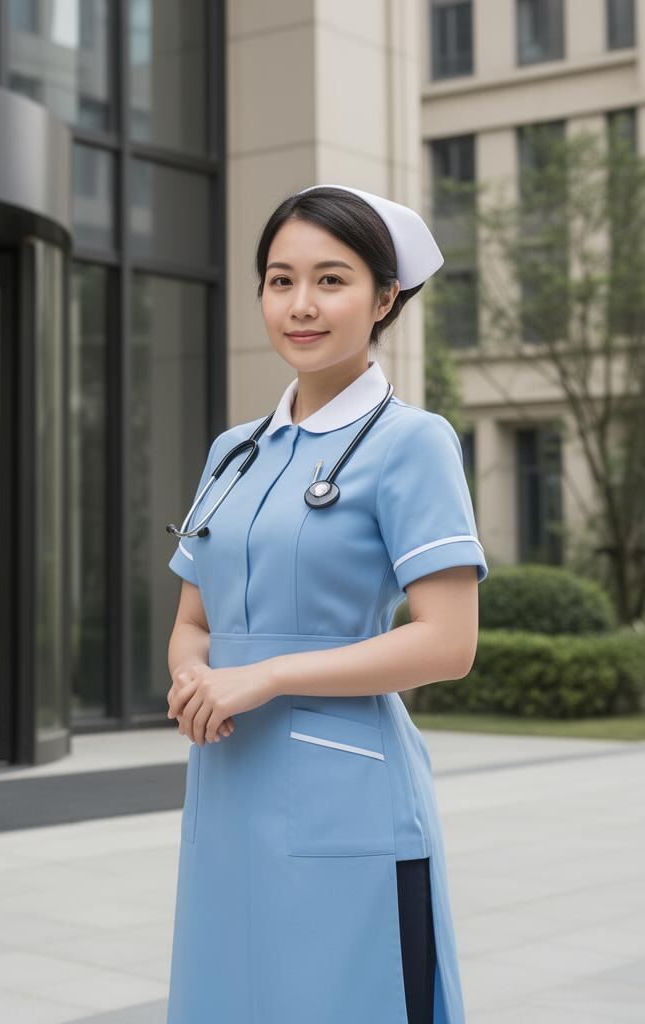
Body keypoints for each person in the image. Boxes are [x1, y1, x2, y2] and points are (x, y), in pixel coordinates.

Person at [164, 184, 488, 1024]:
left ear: (384, 299)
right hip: (228, 789)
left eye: (331, 280)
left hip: (349, 799)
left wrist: (263, 676)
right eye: (280, 280)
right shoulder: (233, 451)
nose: (300, 306)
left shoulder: (412, 443)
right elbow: (194, 622)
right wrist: (193, 677)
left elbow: (448, 644)